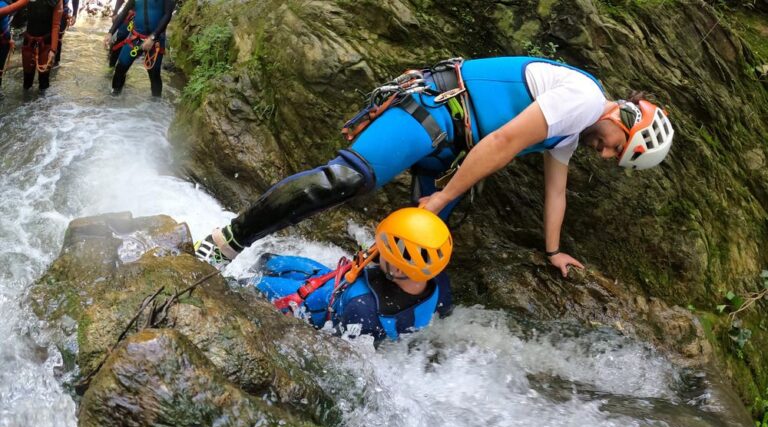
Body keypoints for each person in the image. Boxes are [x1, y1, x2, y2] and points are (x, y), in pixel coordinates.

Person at [194, 56, 675, 277]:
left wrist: (553, 252)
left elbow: (557, 191)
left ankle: (342, 295)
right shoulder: (585, 99)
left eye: (617, 160)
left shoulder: (574, 127)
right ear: (625, 119)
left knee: (419, 257)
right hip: (434, 111)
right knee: (346, 179)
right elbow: (505, 141)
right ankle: (227, 241)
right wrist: (444, 196)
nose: (608, 155)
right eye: (618, 148)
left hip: (451, 146)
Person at [249, 207, 453, 343]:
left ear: (398, 269)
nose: (377, 250)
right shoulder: (434, 276)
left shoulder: (364, 310)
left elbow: (340, 350)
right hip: (334, 284)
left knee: (248, 283)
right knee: (268, 260)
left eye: (384, 250)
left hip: (316, 306)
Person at [104, 0, 175, 97]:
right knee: (120, 69)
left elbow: (167, 15)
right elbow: (125, 12)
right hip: (135, 37)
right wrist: (110, 32)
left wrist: (153, 37)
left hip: (156, 40)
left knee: (154, 75)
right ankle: (114, 100)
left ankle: (155, 104)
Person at [12, 0, 63, 93]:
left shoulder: (57, 1)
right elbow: (12, 12)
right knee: (27, 82)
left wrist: (53, 49)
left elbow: (56, 26)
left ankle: (43, 107)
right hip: (29, 41)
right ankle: (25, 106)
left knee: (44, 82)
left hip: (46, 42)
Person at [106, 0, 132, 69]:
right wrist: (115, 13)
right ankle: (110, 68)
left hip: (140, 25)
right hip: (127, 19)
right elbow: (124, 12)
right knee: (117, 44)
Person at [53, 0, 76, 66]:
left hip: (62, 12)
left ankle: (56, 60)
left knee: (58, 38)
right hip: (48, 10)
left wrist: (74, 14)